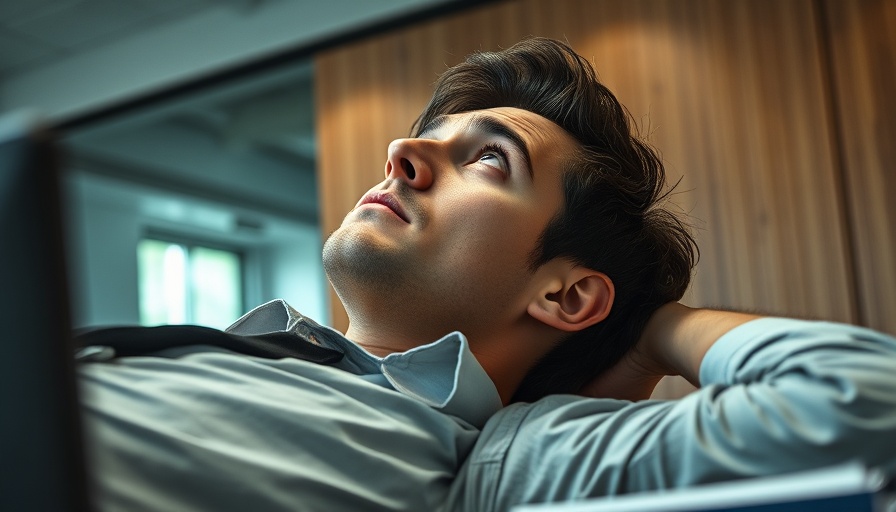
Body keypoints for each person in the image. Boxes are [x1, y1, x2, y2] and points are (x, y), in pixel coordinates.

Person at [77, 37, 896, 512]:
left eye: (489, 160)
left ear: (566, 293)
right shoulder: (231, 347)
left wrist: (654, 327)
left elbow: (861, 394)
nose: (404, 152)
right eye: (428, 135)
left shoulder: (494, 462)